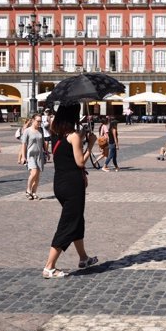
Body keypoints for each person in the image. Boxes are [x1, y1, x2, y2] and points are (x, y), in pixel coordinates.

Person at [43, 103, 98, 279]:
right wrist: (90, 145)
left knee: (77, 220)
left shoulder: (55, 134)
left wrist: (82, 138)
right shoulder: (73, 136)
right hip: (72, 185)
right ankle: (49, 267)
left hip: (59, 183)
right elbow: (80, 162)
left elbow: (66, 157)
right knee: (68, 224)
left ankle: (83, 258)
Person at [20, 113, 45, 200]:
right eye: (38, 121)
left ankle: (34, 192)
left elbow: (43, 141)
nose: (39, 123)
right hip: (30, 155)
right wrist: (23, 156)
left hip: (40, 155)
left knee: (37, 176)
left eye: (40, 121)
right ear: (33, 120)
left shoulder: (40, 130)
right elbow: (23, 144)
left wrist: (46, 151)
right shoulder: (27, 131)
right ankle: (28, 190)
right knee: (33, 173)